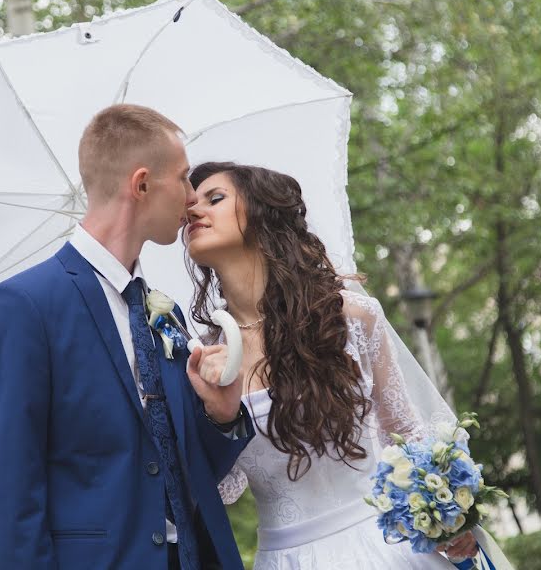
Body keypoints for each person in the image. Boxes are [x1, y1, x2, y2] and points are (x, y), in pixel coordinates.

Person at [0, 106, 254, 569]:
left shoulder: (166, 313)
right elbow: (11, 492)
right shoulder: (24, 306)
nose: (191, 199)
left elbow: (188, 477)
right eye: (183, 180)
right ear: (141, 184)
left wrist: (221, 417)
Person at [184, 161, 480, 568]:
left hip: (385, 549)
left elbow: (407, 434)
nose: (194, 211)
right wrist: (216, 418)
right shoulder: (203, 361)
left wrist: (447, 518)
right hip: (284, 558)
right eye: (189, 207)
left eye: (214, 199)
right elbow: (219, 488)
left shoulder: (347, 317)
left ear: (262, 214)